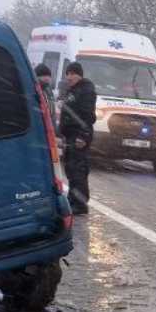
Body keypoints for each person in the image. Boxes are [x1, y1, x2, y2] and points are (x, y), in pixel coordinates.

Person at [58, 60, 97, 215]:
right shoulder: (72, 90)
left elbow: (88, 116)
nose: (69, 77)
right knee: (70, 168)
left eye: (72, 74)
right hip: (70, 135)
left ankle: (80, 204)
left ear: (79, 75)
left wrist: (83, 136)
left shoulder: (86, 90)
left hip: (79, 135)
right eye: (68, 73)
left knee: (78, 170)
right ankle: (72, 199)